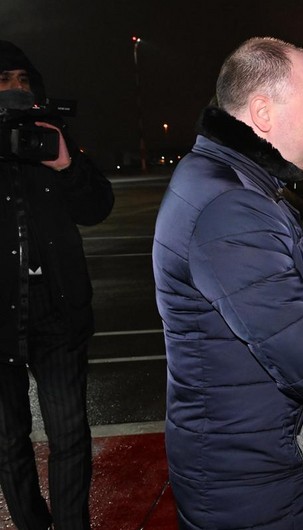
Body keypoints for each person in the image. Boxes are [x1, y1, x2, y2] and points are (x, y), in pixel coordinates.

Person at [151, 37, 303, 530]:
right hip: (266, 487)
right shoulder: (231, 208)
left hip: (263, 468)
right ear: (263, 113)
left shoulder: (220, 179)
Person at [0, 41, 114, 530]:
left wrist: (67, 165)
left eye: (23, 80)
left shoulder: (51, 133)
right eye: (3, 80)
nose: (16, 89)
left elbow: (97, 207)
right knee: (7, 441)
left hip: (58, 312)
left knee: (69, 434)